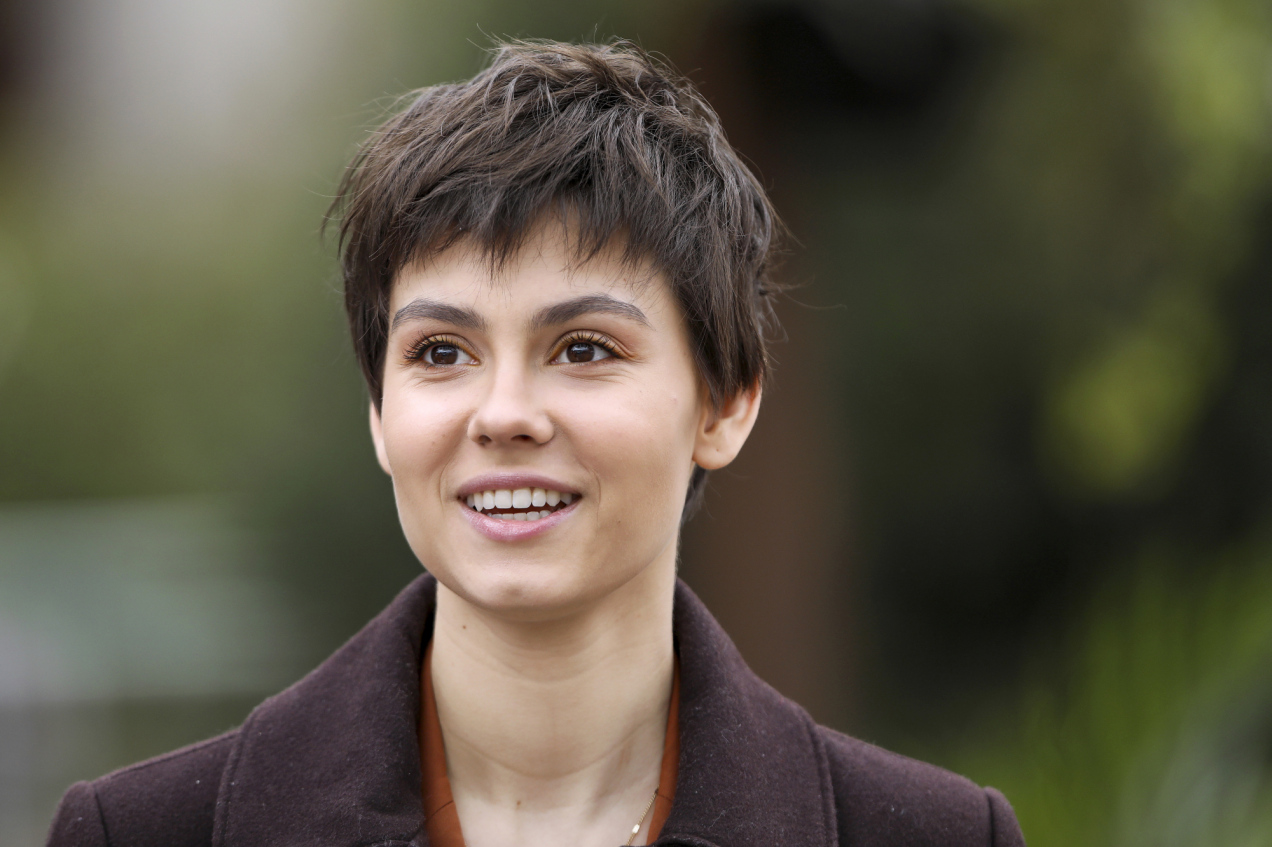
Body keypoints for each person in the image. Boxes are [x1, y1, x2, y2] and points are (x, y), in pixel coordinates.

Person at [46, 39, 1025, 847]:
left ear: (725, 404)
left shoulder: (935, 835)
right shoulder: (139, 833)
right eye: (441, 352)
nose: (503, 413)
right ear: (379, 414)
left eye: (583, 348)